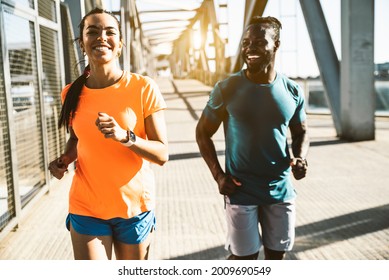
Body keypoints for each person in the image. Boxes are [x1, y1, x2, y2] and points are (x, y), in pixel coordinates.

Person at [48, 8, 168, 260]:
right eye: (92, 31)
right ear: (82, 43)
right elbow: (77, 137)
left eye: (109, 32)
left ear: (120, 44)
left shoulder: (143, 87)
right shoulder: (70, 92)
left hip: (133, 208)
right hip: (86, 206)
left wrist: (126, 136)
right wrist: (65, 160)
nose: (101, 37)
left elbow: (162, 154)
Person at [196, 16, 309, 260]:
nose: (250, 49)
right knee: (244, 260)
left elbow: (300, 132)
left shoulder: (292, 90)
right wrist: (218, 175)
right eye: (246, 43)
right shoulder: (227, 88)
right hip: (240, 190)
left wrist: (300, 158)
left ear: (276, 45)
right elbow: (202, 132)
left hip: (281, 190)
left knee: (276, 257)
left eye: (259, 42)